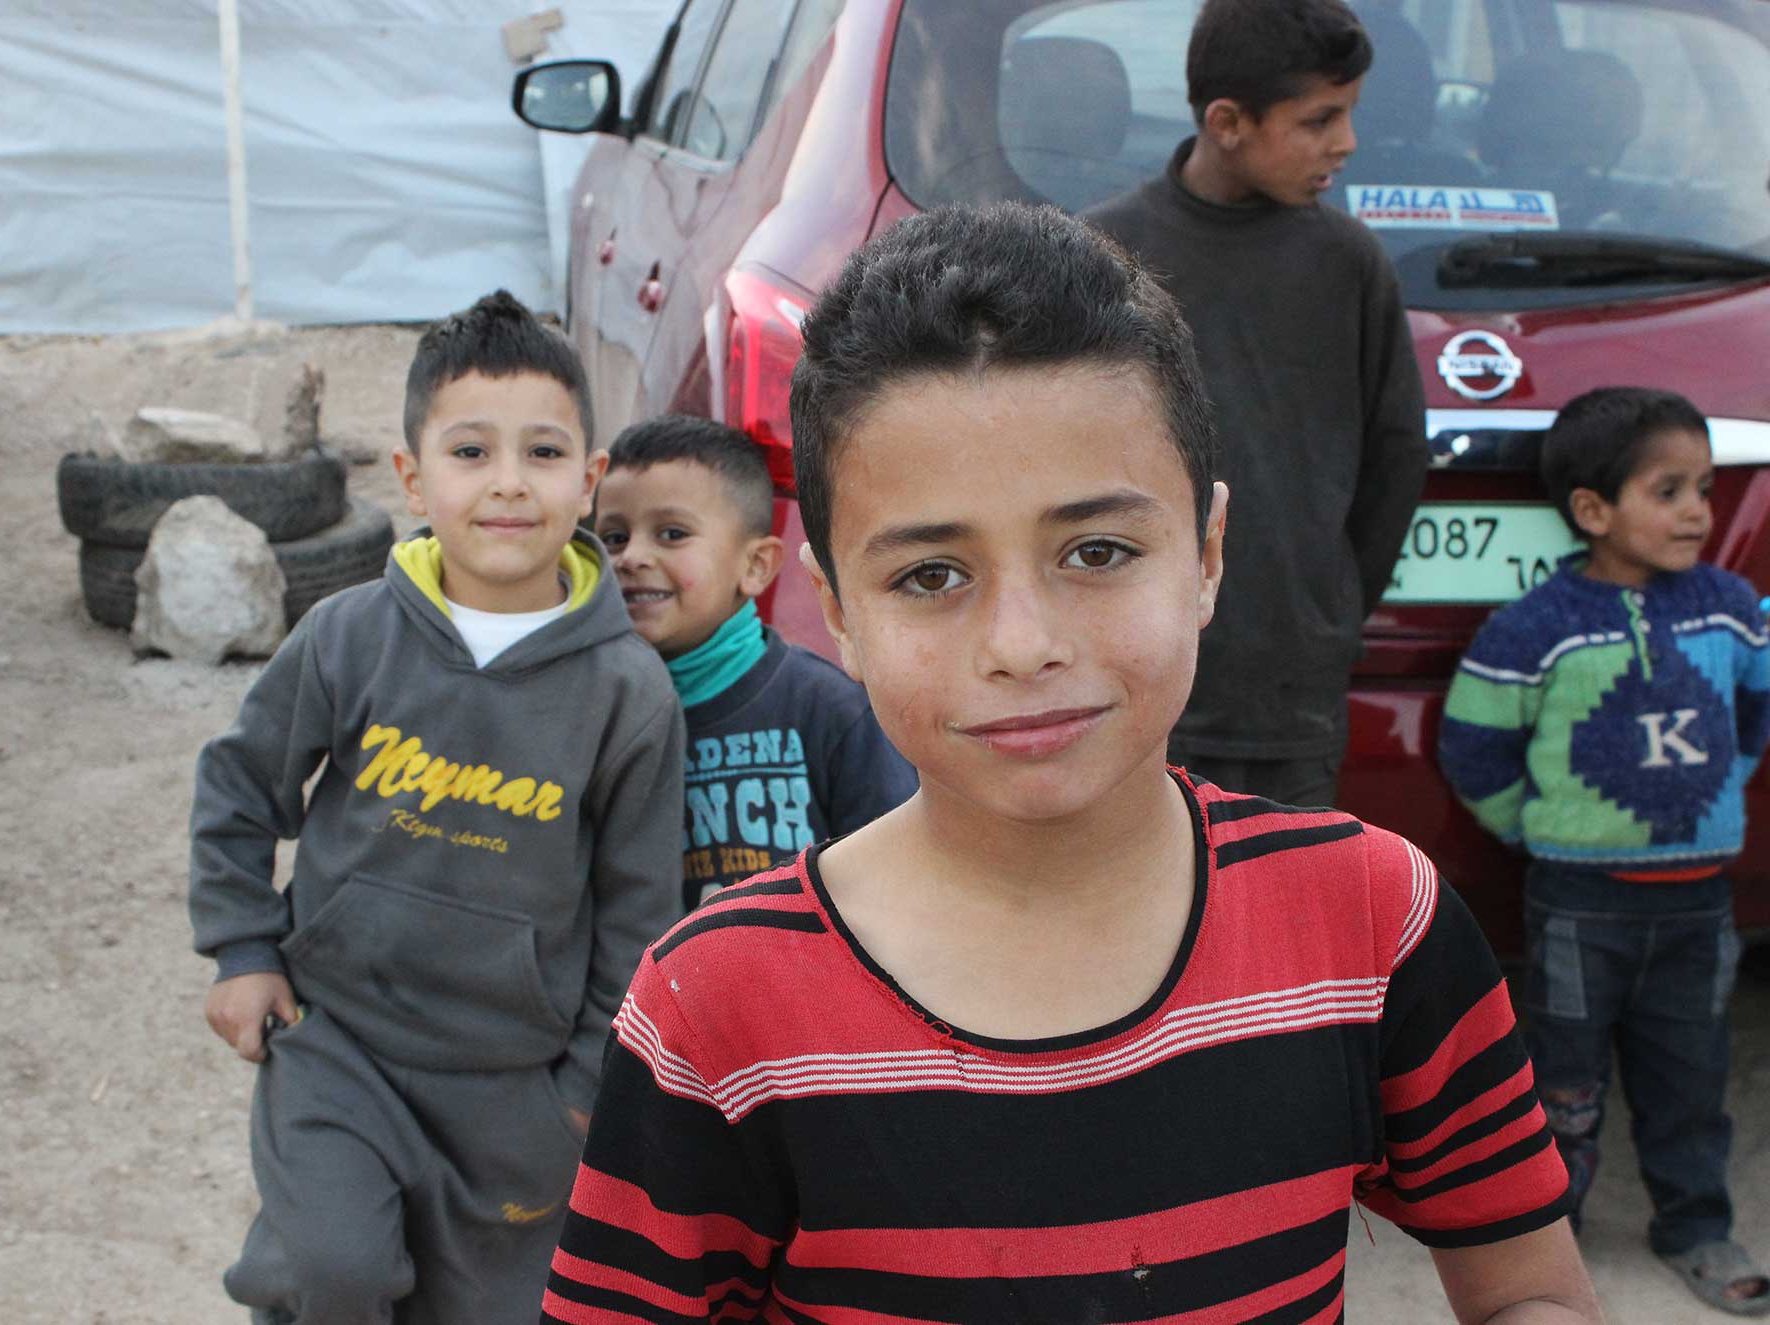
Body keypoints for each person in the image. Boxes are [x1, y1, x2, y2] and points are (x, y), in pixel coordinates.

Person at [540, 203, 1598, 1324]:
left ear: (1205, 554)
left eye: (1096, 551)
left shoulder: (1368, 923)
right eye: (929, 575)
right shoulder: (716, 1006)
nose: (1021, 643)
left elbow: (1528, 1289)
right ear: (832, 607)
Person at [189, 290, 684, 1325]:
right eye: (470, 451)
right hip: (339, 1040)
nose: (507, 482)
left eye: (543, 452)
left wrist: (589, 1085)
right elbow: (241, 784)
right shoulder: (347, 637)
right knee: (334, 1272)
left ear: (588, 480)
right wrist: (242, 946)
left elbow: (640, 910)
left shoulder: (626, 694)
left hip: (515, 1085)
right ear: (412, 475)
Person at [1440, 387, 1770, 1316]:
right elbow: (1472, 742)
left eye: (1705, 487)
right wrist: (1533, 826)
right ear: (1592, 510)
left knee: (1691, 1076)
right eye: (1669, 490)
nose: (1699, 511)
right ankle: (1549, 1237)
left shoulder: (1730, 608)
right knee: (1563, 1079)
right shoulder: (1537, 628)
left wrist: (1711, 788)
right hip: (1580, 906)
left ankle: (1697, 1225)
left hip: (1699, 905)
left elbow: (1752, 710)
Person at [1084, 0, 1426, 806]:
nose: (1345, 144)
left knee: (1285, 914)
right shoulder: (1105, 258)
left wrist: (1329, 610)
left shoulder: (1347, 263)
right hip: (1134, 688)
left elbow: (1397, 452)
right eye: (1319, 120)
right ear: (1228, 121)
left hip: (1289, 698)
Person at [593, 414, 916, 910]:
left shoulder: (830, 710)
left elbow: (900, 886)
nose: (631, 556)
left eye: (672, 533)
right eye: (613, 537)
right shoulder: (593, 715)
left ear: (755, 565)